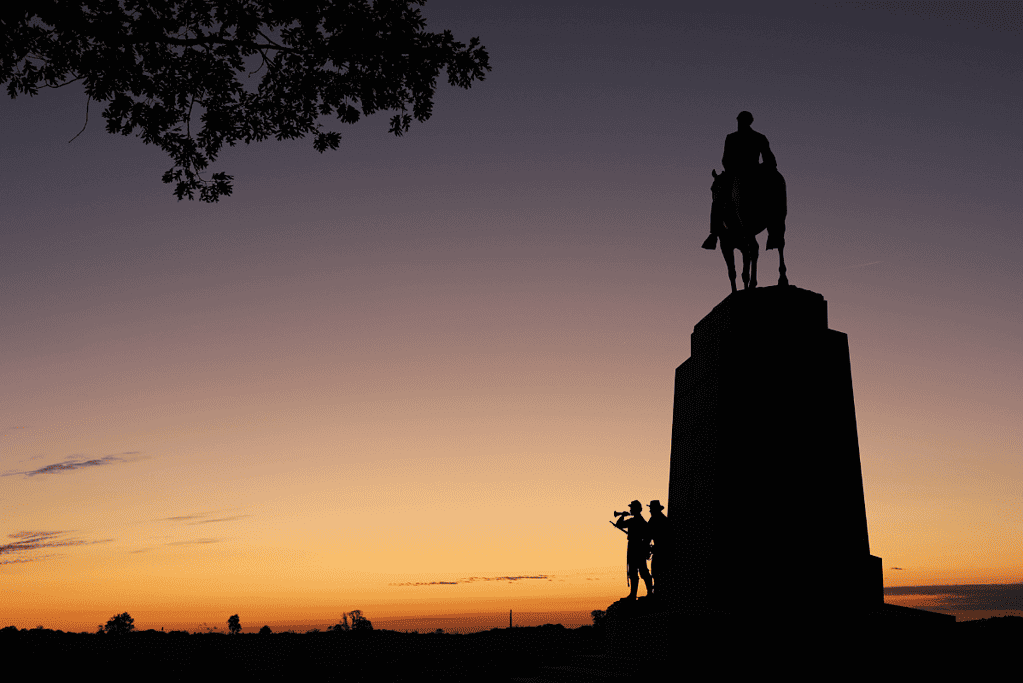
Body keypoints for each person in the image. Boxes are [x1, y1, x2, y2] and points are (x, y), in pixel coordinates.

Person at [704, 111, 781, 249]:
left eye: (742, 121)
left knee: (774, 191)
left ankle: (774, 231)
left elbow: (770, 159)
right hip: (735, 173)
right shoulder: (731, 138)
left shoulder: (759, 138)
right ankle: (714, 233)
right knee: (718, 193)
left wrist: (758, 168)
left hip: (754, 174)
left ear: (749, 122)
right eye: (739, 120)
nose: (740, 123)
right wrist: (733, 169)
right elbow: (725, 159)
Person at [614, 500, 653, 599]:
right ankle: (635, 594)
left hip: (637, 547)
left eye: (631, 508)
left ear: (636, 509)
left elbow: (619, 524)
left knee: (642, 571)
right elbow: (619, 524)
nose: (630, 509)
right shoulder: (638, 521)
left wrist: (622, 515)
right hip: (635, 546)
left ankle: (646, 593)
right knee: (634, 571)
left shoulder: (636, 521)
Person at [646, 500, 670, 596]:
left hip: (660, 552)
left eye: (651, 509)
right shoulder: (665, 520)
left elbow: (648, 536)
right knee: (662, 573)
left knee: (657, 573)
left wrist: (647, 546)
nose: (650, 511)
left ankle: (657, 594)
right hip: (665, 551)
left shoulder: (654, 520)